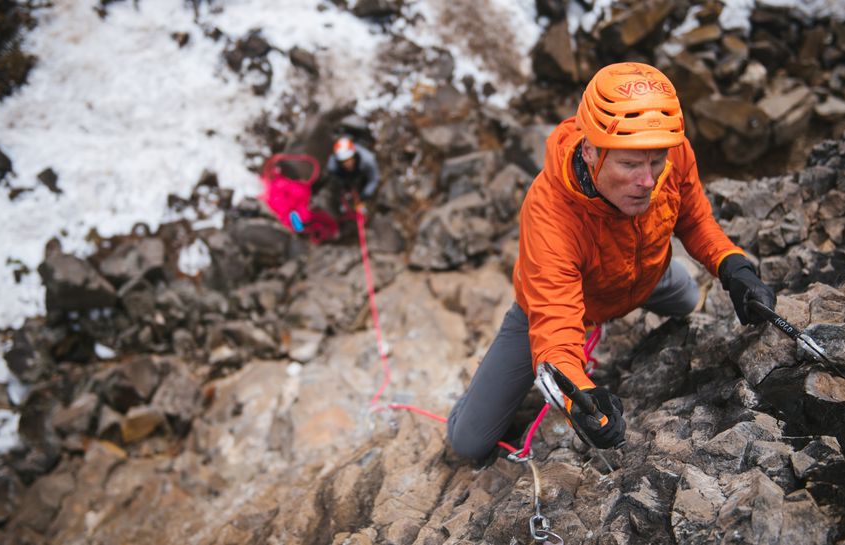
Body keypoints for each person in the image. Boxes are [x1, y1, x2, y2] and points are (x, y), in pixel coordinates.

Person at [446, 62, 776, 462]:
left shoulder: (670, 150)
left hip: (650, 275)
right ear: (590, 151)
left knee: (690, 302)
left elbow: (694, 219)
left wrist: (732, 264)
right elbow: (555, 327)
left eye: (655, 162)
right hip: (570, 305)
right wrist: (578, 400)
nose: (648, 180)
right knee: (468, 443)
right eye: (629, 164)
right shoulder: (550, 214)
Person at [323, 136, 380, 215]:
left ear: (354, 155)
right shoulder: (332, 166)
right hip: (345, 176)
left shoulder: (368, 161)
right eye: (343, 161)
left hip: (361, 174)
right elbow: (334, 177)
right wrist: (345, 186)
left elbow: (374, 179)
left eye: (349, 159)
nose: (347, 164)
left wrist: (365, 194)